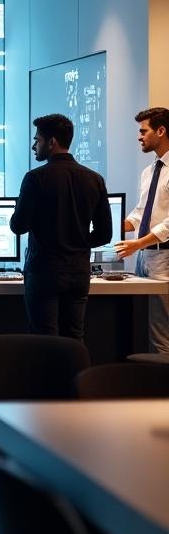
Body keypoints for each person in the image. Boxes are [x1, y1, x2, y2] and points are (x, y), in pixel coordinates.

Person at [10, 113, 112, 338]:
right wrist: (79, 242)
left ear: (52, 142)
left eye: (37, 140)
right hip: (78, 273)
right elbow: (105, 234)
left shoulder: (35, 178)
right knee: (74, 338)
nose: (34, 146)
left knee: (44, 340)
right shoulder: (94, 179)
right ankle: (76, 375)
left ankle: (48, 376)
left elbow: (19, 226)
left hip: (44, 271)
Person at [115, 106, 169, 354]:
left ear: (161, 130)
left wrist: (138, 243)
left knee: (162, 331)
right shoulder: (149, 171)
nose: (139, 136)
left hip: (164, 257)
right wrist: (109, 227)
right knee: (141, 326)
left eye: (143, 131)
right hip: (145, 256)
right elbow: (139, 215)